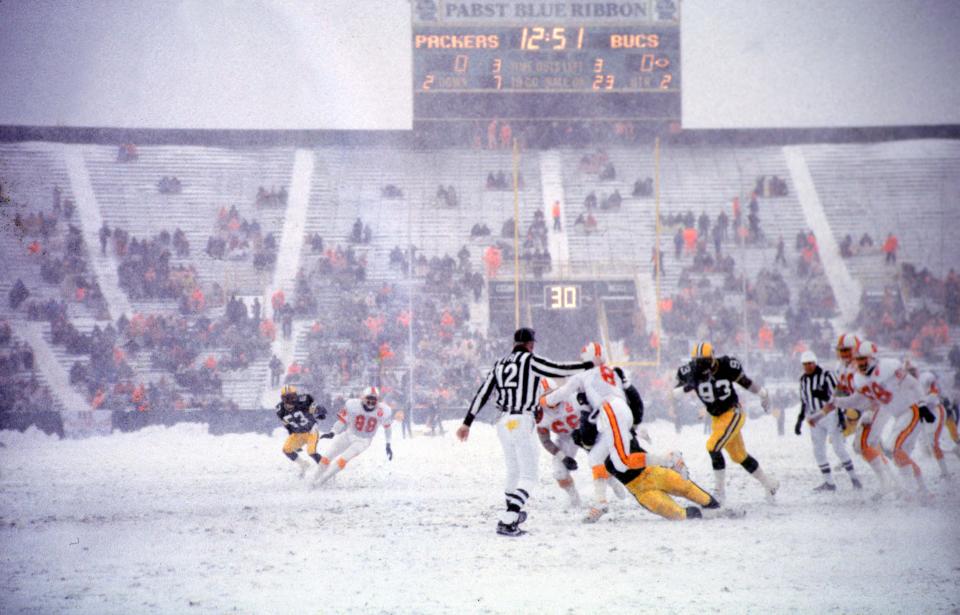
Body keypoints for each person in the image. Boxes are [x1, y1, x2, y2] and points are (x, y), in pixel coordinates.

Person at [545, 343, 727, 522]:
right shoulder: (612, 376)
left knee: (624, 463)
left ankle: (671, 459)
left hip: (651, 469)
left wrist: (545, 401)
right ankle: (600, 503)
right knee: (677, 513)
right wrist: (636, 421)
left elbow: (579, 423)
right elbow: (633, 398)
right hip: (639, 486)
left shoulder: (590, 395)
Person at [457, 327, 593, 537]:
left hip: (503, 422)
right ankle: (509, 518)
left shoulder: (500, 363)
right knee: (529, 476)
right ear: (530, 344)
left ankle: (511, 513)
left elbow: (482, 393)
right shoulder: (530, 360)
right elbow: (558, 369)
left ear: (514, 343)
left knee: (513, 471)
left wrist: (467, 422)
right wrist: (588, 365)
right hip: (522, 419)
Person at [818, 341, 931, 498]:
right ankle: (921, 489)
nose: (861, 363)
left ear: (872, 358)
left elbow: (913, 384)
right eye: (858, 359)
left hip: (910, 410)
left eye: (864, 359)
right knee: (897, 453)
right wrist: (834, 401)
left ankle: (911, 491)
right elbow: (855, 400)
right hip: (897, 415)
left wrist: (923, 403)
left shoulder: (889, 367)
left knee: (895, 450)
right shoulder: (861, 379)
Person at [673, 343, 778, 503]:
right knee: (739, 456)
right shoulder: (690, 371)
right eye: (698, 362)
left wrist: (763, 394)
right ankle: (769, 483)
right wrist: (687, 387)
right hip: (717, 418)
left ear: (713, 358)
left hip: (732, 412)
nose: (701, 366)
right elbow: (675, 394)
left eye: (705, 361)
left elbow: (745, 382)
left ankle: (720, 493)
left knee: (712, 446)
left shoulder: (726, 365)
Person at [795, 351, 861, 491]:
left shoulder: (827, 375)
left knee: (838, 447)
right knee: (818, 451)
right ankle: (829, 483)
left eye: (810, 363)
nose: (808, 366)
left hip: (830, 414)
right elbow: (804, 400)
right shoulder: (803, 380)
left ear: (815, 362)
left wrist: (842, 415)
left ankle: (854, 479)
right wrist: (800, 419)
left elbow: (840, 395)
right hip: (814, 417)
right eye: (805, 364)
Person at [315, 386, 394, 486]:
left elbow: (387, 427)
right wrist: (333, 432)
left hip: (363, 441)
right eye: (368, 398)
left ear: (378, 400)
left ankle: (321, 481)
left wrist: (388, 444)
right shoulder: (353, 405)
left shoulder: (384, 411)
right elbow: (342, 421)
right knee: (326, 458)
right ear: (362, 397)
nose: (371, 402)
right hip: (349, 434)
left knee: (342, 460)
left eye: (374, 400)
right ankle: (314, 478)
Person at [276, 385, 327, 477]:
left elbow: (318, 408)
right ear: (282, 399)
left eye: (292, 397)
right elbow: (287, 424)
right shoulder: (280, 410)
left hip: (311, 430)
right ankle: (303, 464)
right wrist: (292, 435)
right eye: (287, 398)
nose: (290, 400)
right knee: (286, 449)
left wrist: (320, 412)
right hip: (297, 434)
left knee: (311, 451)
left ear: (296, 396)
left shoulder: (303, 401)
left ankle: (326, 468)